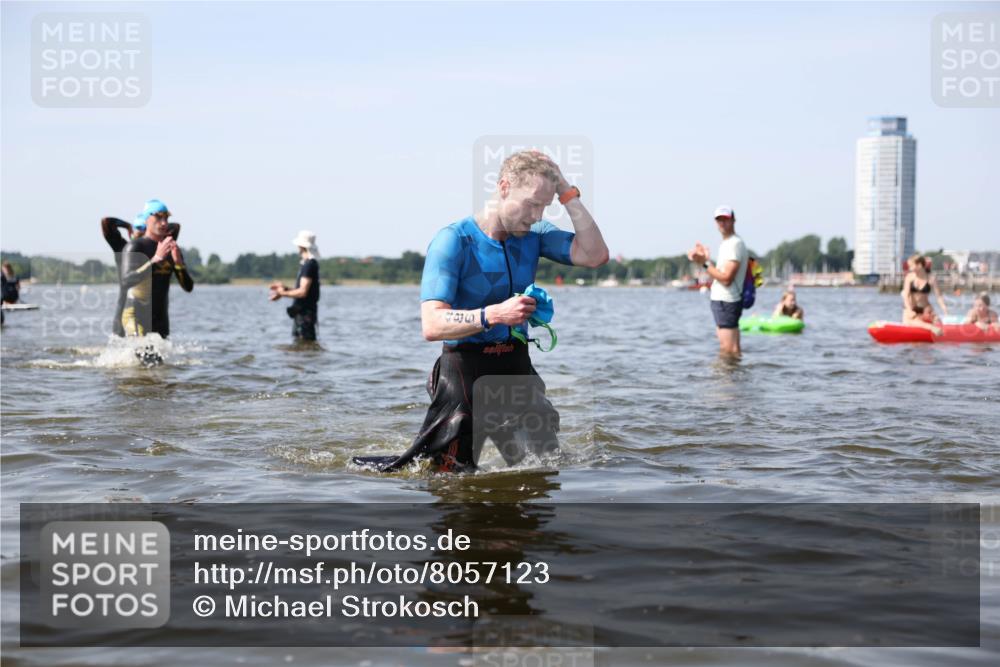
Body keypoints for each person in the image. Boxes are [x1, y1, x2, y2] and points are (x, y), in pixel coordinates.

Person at [355, 150, 608, 473]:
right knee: (452, 478)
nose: (537, 215)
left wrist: (565, 190)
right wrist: (494, 315)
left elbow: (595, 254)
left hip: (516, 366)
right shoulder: (454, 241)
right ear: (503, 187)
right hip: (465, 373)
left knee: (544, 466)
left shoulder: (534, 236)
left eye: (545, 206)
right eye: (531, 203)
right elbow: (431, 324)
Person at [120, 200, 193, 337]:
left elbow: (188, 287)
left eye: (166, 218)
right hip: (135, 316)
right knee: (142, 355)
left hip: (161, 321)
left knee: (160, 358)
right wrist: (155, 260)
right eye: (158, 217)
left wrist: (178, 264)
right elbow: (126, 281)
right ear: (147, 219)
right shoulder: (135, 247)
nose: (164, 222)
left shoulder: (170, 248)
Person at [102, 214, 182, 336]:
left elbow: (175, 227)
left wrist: (155, 226)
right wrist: (127, 226)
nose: (142, 231)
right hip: (126, 310)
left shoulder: (153, 249)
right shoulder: (123, 248)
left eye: (144, 228)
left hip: (150, 314)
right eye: (138, 227)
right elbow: (107, 222)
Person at [687, 206, 748, 357]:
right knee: (730, 349)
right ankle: (732, 378)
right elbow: (720, 273)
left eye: (725, 219)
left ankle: (727, 380)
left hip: (727, 301)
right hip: (724, 301)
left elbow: (726, 278)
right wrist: (705, 260)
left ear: (733, 220)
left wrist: (704, 263)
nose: (722, 223)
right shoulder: (727, 243)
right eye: (719, 220)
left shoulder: (734, 244)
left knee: (729, 350)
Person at [270, 231, 321, 341]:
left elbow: (302, 292)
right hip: (303, 314)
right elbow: (302, 290)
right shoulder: (307, 264)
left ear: (301, 246)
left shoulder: (309, 265)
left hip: (305, 315)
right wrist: (285, 289)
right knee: (302, 348)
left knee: (304, 346)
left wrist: (282, 293)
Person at [900, 254, 947, 332]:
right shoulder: (909, 277)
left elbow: (939, 297)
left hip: (925, 309)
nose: (910, 269)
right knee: (909, 321)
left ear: (919, 265)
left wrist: (945, 310)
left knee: (938, 321)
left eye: (911, 266)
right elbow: (906, 296)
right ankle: (930, 327)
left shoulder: (931, 279)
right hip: (911, 308)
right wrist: (909, 310)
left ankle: (936, 327)